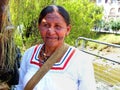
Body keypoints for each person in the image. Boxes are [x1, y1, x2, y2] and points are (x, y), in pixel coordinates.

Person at [16, 5, 96, 90]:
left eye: (58, 26)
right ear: (39, 27)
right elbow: (20, 87)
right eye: (46, 25)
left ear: (67, 30)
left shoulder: (81, 60)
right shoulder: (29, 54)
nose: (51, 31)